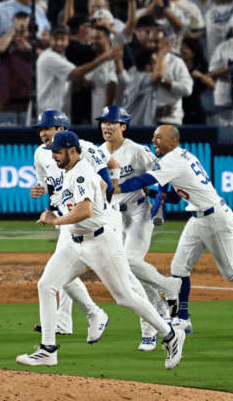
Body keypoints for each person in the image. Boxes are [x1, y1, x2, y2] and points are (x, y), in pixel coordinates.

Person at [114, 125, 233, 334]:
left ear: (173, 142)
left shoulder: (172, 161)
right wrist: (152, 193)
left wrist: (117, 187)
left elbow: (143, 178)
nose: (154, 141)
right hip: (198, 218)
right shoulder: (181, 157)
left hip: (215, 218)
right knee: (179, 268)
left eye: (159, 137)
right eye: (153, 136)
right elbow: (172, 197)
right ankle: (183, 319)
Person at [19, 130, 186, 370]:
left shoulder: (80, 174)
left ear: (73, 151)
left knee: (125, 297)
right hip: (76, 243)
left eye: (58, 151)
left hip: (100, 243)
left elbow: (86, 211)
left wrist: (55, 220)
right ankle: (48, 350)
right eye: (52, 151)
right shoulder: (69, 172)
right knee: (46, 285)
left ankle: (170, 334)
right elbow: (101, 185)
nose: (53, 155)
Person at [95, 106, 182, 351]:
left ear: (123, 126)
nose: (106, 126)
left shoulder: (138, 151)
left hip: (138, 212)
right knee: (127, 272)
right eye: (103, 122)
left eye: (112, 122)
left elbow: (161, 175)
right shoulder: (98, 153)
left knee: (130, 263)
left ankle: (150, 327)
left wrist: (160, 199)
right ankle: (163, 306)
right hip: (112, 217)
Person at [30, 111, 109, 342]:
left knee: (123, 281)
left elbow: (105, 179)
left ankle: (94, 314)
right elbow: (48, 184)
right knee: (62, 271)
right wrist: (40, 190)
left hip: (90, 217)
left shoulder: (83, 147)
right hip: (68, 217)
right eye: (40, 129)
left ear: (62, 130)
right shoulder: (40, 154)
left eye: (48, 128)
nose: (43, 133)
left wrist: (102, 208)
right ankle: (69, 320)